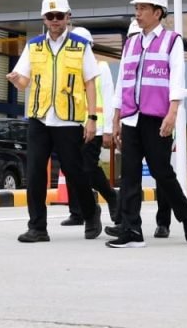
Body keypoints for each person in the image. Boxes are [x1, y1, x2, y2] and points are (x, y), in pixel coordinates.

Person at [106, 0, 187, 248]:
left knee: (161, 172)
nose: (137, 13)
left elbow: (177, 79)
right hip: (131, 117)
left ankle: (185, 215)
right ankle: (132, 230)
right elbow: (122, 81)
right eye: (136, 8)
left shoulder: (172, 41)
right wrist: (116, 118)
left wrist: (173, 113)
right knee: (130, 175)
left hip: (157, 117)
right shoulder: (131, 43)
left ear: (158, 12)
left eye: (143, 8)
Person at [7, 0, 103, 243]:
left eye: (59, 15)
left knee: (75, 171)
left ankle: (91, 213)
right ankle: (37, 227)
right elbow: (24, 82)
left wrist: (92, 118)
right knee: (35, 173)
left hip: (68, 119)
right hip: (39, 118)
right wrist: (16, 81)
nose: (55, 20)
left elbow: (90, 83)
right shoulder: (34, 46)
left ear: (68, 17)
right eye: (50, 16)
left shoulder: (80, 46)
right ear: (44, 18)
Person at [60, 27, 120, 227]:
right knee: (70, 168)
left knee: (88, 168)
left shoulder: (101, 67)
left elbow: (109, 98)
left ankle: (111, 197)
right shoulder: (68, 68)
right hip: (71, 126)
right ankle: (77, 212)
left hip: (95, 128)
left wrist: (108, 129)